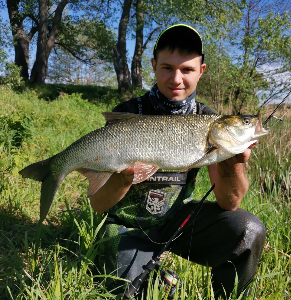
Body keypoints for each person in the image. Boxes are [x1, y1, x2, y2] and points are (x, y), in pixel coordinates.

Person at [90, 24, 266, 299]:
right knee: (129, 293)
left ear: (201, 71)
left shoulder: (209, 119)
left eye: (187, 70)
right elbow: (98, 204)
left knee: (249, 230)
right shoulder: (127, 114)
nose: (176, 79)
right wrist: (125, 176)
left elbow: (229, 203)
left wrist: (235, 161)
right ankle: (153, 279)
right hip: (128, 224)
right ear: (153, 65)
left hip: (177, 221)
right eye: (167, 68)